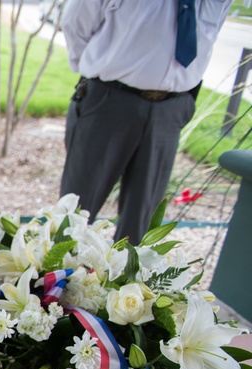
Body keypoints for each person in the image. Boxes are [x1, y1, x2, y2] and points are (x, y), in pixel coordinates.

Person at [59, 0, 231, 243]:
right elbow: (74, 24)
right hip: (110, 102)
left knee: (142, 221)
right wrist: (96, 70)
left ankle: (125, 279)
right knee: (74, 214)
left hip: (170, 110)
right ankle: (58, 278)